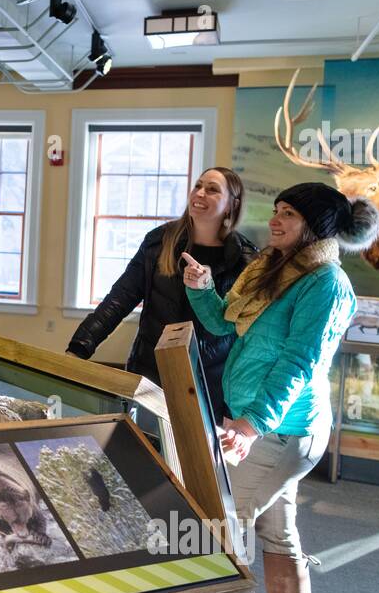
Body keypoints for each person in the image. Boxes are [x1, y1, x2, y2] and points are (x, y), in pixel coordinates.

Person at [181, 182, 379, 593]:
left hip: (281, 431)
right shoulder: (273, 269)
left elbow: (299, 363)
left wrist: (252, 425)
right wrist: (204, 291)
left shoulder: (326, 284)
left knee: (218, 533)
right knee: (276, 533)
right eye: (276, 210)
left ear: (316, 226)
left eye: (288, 214)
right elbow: (228, 323)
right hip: (264, 425)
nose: (274, 220)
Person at [67, 167, 255, 421]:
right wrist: (79, 347)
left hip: (209, 381)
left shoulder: (246, 259)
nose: (200, 193)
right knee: (142, 449)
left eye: (212, 189)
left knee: (192, 457)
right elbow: (119, 298)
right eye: (197, 186)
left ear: (232, 204)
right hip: (150, 372)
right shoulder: (159, 242)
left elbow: (245, 329)